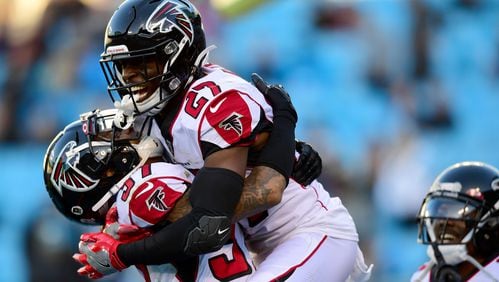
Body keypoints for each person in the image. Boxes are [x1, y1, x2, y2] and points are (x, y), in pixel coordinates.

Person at [75, 0, 372, 281]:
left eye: (141, 62)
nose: (129, 76)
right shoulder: (153, 114)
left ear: (175, 53)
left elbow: (213, 222)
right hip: (259, 247)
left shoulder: (218, 102)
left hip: (308, 233)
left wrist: (124, 253)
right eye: (124, 66)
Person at [43, 109, 258, 281]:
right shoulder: (142, 186)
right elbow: (213, 217)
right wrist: (281, 136)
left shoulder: (123, 210)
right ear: (103, 170)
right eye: (109, 136)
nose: (126, 132)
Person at [411, 161, 499, 282]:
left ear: (492, 223)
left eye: (456, 210)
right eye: (439, 211)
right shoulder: (422, 277)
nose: (443, 221)